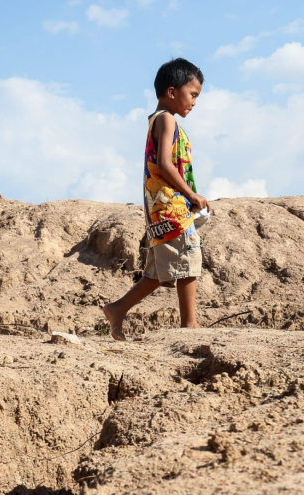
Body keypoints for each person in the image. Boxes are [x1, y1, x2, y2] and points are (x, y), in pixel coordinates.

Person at [102, 58, 210, 341]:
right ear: (172, 92)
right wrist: (191, 194)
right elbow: (164, 164)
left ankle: (117, 309)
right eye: (193, 95)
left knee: (156, 272)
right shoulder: (166, 119)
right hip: (172, 208)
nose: (194, 102)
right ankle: (190, 325)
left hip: (160, 209)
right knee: (188, 258)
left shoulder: (159, 120)